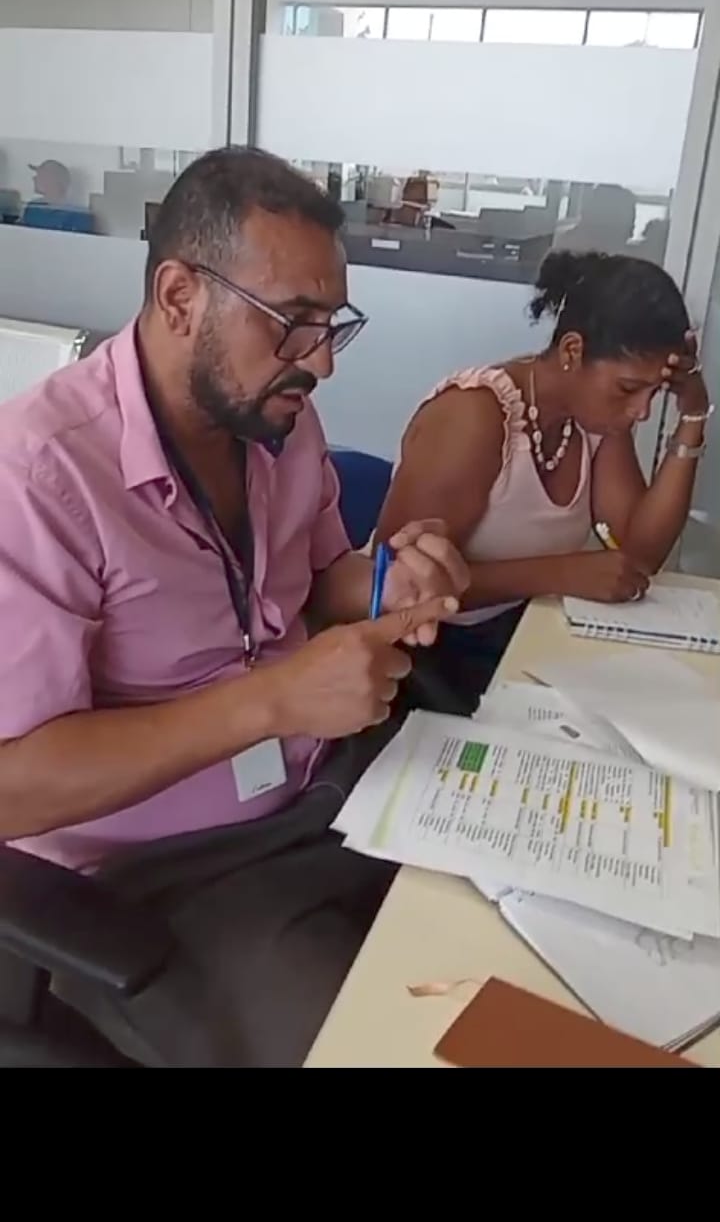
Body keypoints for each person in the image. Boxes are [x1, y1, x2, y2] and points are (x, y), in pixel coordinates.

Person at [0, 146, 468, 1068]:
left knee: (509, 951)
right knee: (387, 1050)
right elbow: (14, 785)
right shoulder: (38, 477)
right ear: (180, 297)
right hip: (160, 879)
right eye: (293, 324)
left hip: (327, 796)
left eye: (333, 326)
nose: (321, 363)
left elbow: (314, 582)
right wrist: (273, 700)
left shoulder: (277, 421)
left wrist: (385, 581)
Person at [376, 250, 712, 706]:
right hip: (422, 655)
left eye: (657, 393)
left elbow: (639, 555)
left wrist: (693, 415)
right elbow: (397, 585)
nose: (642, 411)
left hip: (518, 632)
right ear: (573, 351)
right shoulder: (475, 416)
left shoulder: (596, 422)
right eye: (629, 388)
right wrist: (559, 573)